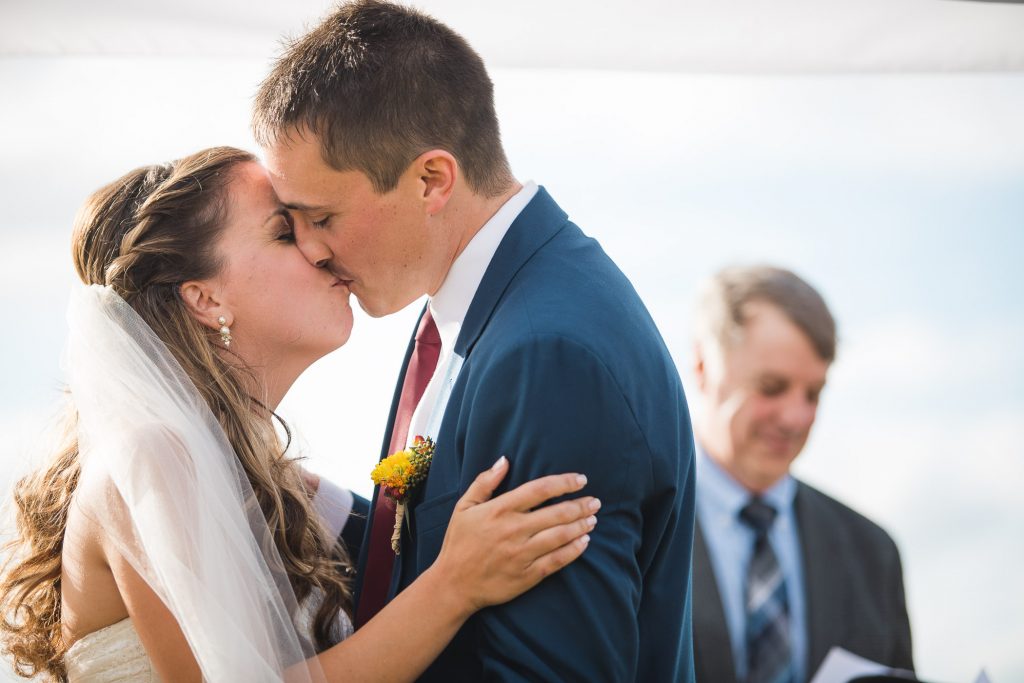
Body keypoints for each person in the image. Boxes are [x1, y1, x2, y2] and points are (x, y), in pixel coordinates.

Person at [0, 147, 600, 682]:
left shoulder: (282, 487)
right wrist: (455, 586)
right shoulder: (153, 455)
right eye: (285, 233)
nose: (320, 249)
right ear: (205, 298)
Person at [252, 2, 696, 680]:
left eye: (322, 217)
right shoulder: (474, 302)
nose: (310, 250)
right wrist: (296, 496)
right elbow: (435, 547)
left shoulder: (547, 358)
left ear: (431, 179)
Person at [689, 265, 914, 683]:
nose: (796, 417)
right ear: (703, 366)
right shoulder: (627, 528)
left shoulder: (873, 554)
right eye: (771, 387)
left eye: (813, 393)